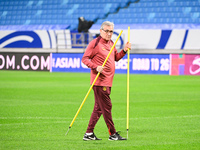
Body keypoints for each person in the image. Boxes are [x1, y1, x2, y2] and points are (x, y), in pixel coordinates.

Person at [81, 21, 131, 141]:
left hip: (108, 81)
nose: (109, 34)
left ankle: (88, 134)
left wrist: (124, 50)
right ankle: (112, 134)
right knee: (107, 106)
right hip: (99, 82)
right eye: (107, 31)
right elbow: (84, 59)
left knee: (99, 108)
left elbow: (116, 58)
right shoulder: (95, 43)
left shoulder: (111, 43)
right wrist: (95, 67)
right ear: (101, 31)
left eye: (111, 31)